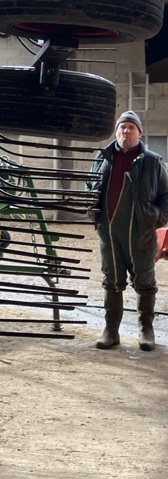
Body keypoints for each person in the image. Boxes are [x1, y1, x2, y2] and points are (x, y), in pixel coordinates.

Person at [90, 110, 168, 351]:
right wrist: (93, 213)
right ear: (116, 132)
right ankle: (111, 331)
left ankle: (146, 330)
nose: (126, 131)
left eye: (131, 127)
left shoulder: (153, 161)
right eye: (122, 127)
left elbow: (167, 196)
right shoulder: (102, 158)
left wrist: (154, 219)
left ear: (140, 133)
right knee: (111, 280)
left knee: (144, 282)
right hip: (109, 233)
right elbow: (90, 188)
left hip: (140, 233)